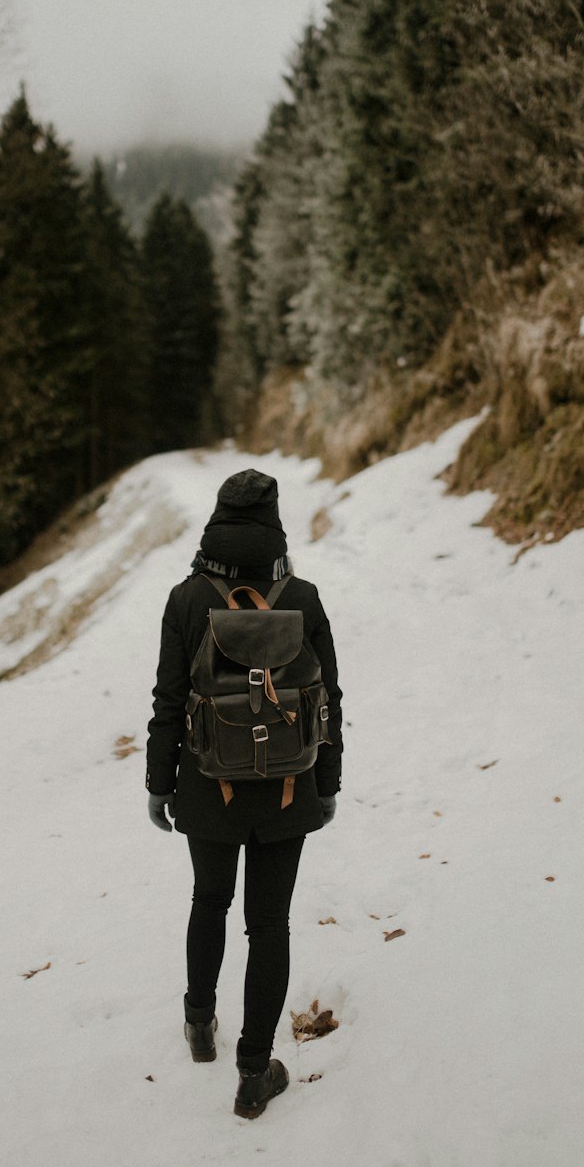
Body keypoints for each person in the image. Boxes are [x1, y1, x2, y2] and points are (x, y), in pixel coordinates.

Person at [145, 468, 343, 1119]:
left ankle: (200, 1025)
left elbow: (169, 701)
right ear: (275, 523)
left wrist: (159, 782)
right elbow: (329, 703)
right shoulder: (304, 597)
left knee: (209, 897)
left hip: (207, 783)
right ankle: (254, 1072)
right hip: (289, 786)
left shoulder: (184, 599)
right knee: (269, 925)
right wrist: (327, 782)